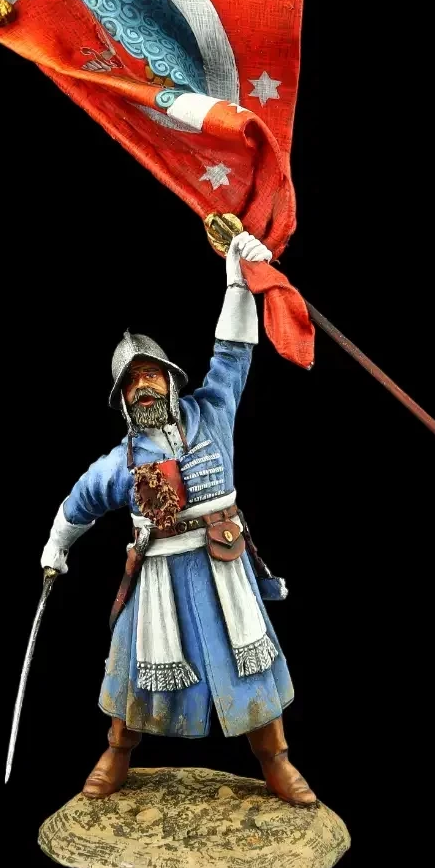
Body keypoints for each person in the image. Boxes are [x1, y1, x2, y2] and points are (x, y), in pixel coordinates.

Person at [41, 231, 316, 806]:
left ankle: (276, 761)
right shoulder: (120, 463)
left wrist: (237, 281)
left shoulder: (211, 411)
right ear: (122, 399)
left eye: (150, 374)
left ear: (170, 378)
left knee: (251, 662)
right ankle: (117, 752)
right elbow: (78, 503)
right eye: (131, 381)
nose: (142, 386)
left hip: (224, 566)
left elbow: (233, 352)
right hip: (159, 578)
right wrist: (55, 548)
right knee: (132, 669)